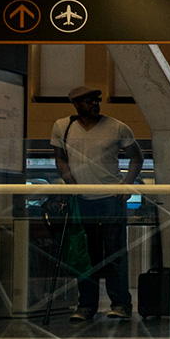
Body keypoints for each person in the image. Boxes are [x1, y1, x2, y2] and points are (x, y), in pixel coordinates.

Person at [50, 86, 141, 322]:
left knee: (115, 252)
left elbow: (136, 157)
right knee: (84, 254)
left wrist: (127, 184)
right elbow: (60, 158)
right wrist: (71, 183)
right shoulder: (63, 126)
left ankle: (120, 303)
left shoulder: (117, 127)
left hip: (111, 199)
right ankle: (86, 305)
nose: (95, 103)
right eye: (88, 100)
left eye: (97, 100)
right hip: (81, 199)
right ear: (75, 104)